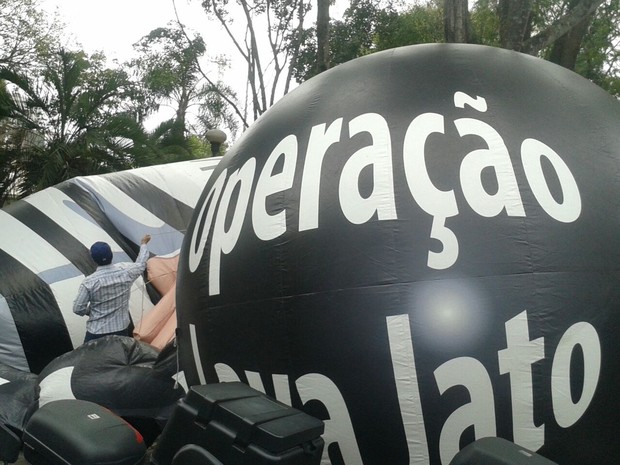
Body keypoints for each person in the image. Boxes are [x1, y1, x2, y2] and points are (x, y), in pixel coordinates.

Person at [73, 234, 152, 343]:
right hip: (121, 330)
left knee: (93, 360)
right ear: (111, 255)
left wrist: (90, 312)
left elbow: (77, 309)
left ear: (93, 259)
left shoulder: (89, 282)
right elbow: (141, 264)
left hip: (96, 332)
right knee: (119, 358)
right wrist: (143, 244)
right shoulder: (127, 273)